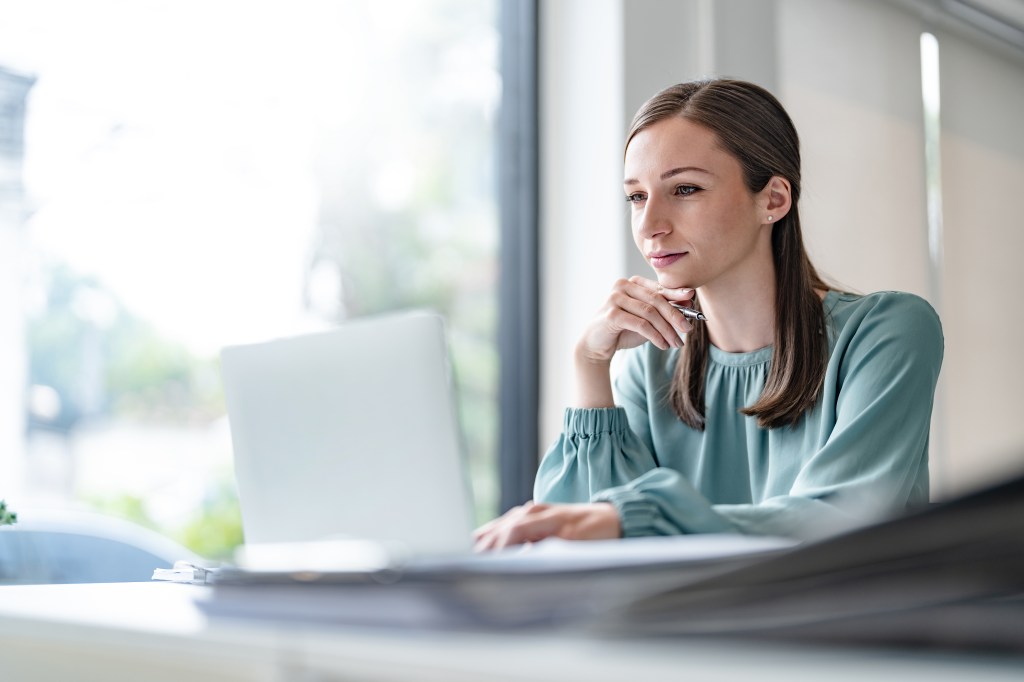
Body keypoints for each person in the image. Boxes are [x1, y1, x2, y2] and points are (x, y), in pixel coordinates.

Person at [474, 78, 944, 550]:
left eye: (685, 189)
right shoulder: (651, 367)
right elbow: (580, 546)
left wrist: (640, 517)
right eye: (637, 196)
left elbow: (837, 519)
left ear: (773, 200)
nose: (649, 225)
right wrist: (589, 364)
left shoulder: (887, 332)